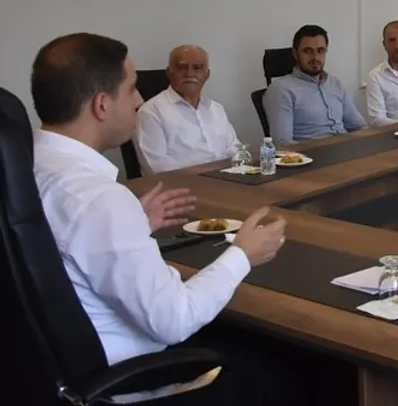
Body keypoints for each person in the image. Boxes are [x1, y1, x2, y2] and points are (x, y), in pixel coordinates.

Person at [31, 33, 286, 403]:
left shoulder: (29, 165)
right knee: (284, 366)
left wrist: (134, 222)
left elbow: (69, 242)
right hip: (127, 381)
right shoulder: (98, 198)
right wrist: (243, 254)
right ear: (102, 105)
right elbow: (175, 319)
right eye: (131, 88)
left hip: (51, 371)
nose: (138, 100)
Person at [135, 45, 238, 174]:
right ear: (169, 73)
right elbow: (158, 167)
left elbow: (235, 150)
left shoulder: (216, 109)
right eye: (181, 67)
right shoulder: (151, 112)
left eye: (197, 68)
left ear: (207, 74)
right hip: (181, 184)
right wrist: (209, 173)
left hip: (226, 179)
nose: (189, 74)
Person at [262, 25, 366, 145]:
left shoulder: (335, 84)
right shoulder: (281, 90)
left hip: (347, 149)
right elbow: (283, 143)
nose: (315, 57)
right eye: (307, 51)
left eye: (320, 51)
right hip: (312, 153)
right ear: (295, 53)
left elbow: (359, 127)